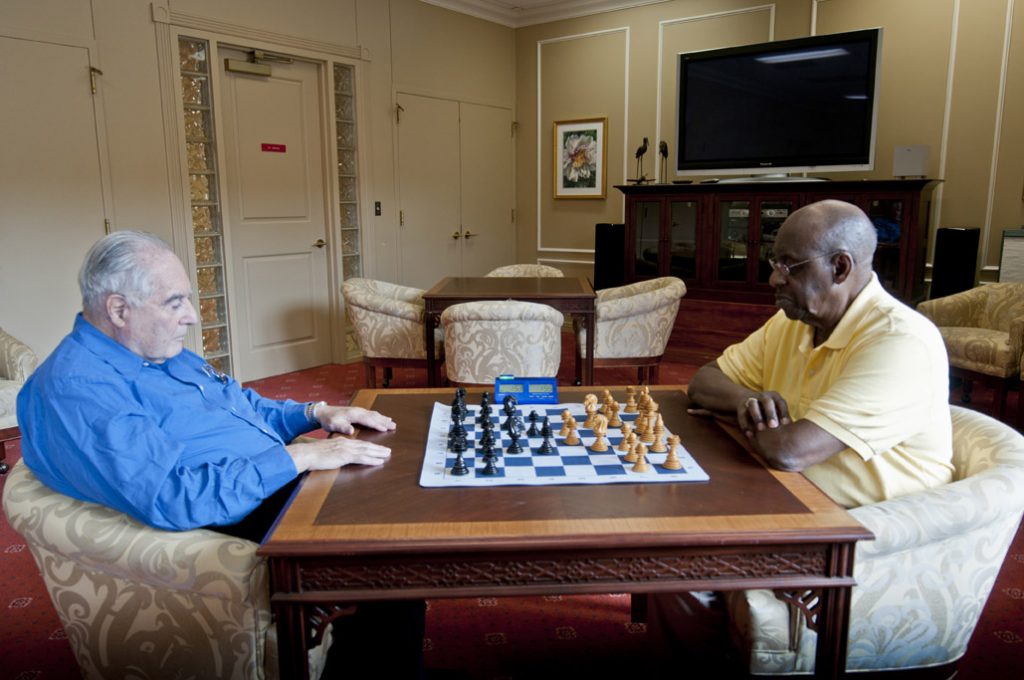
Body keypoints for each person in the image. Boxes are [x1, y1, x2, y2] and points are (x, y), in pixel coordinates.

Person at [17, 230, 424, 676]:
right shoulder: (81, 389)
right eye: (174, 303)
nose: (191, 316)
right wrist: (296, 459)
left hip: (262, 476)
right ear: (118, 309)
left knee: (400, 490)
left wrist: (315, 412)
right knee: (393, 558)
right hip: (230, 507)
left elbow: (242, 406)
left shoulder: (157, 351)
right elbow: (174, 497)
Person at [649, 199, 955, 668]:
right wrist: (747, 403)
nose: (775, 279)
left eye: (789, 266)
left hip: (858, 528)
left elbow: (788, 451)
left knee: (675, 547)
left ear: (840, 267)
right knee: (663, 525)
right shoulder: (793, 321)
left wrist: (751, 424)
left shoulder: (900, 341)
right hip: (783, 498)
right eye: (775, 263)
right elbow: (704, 380)